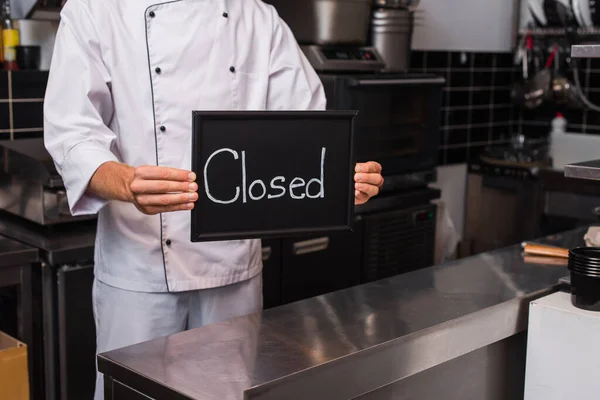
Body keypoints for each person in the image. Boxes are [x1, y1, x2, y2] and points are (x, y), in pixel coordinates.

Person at [43, 0, 384, 398]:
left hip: (234, 267)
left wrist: (338, 178)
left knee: (229, 392)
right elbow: (72, 131)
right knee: (134, 393)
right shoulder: (96, 9)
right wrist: (125, 181)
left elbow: (304, 127)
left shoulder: (256, 16)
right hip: (140, 267)